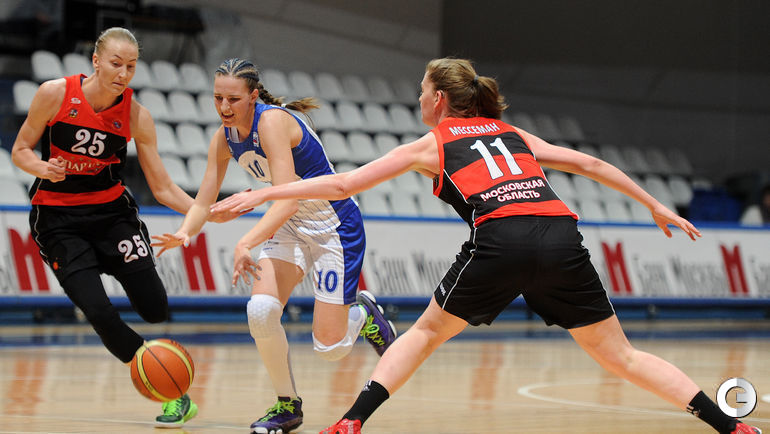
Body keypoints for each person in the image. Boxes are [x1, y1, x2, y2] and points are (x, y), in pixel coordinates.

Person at [210, 58, 762, 434]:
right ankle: (731, 426)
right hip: (560, 236)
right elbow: (591, 164)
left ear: (439, 99)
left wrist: (263, 193)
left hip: (501, 239)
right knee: (623, 356)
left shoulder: (433, 142)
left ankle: (352, 420)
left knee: (424, 334)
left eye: (421, 91)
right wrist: (654, 204)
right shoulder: (513, 134)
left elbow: (342, 185)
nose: (418, 98)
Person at [150, 57, 397, 434]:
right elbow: (203, 202)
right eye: (217, 98)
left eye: (233, 99)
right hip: (290, 227)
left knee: (330, 349)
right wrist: (186, 231)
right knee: (261, 311)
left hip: (333, 226)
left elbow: (287, 201)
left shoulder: (271, 122)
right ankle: (287, 405)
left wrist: (245, 242)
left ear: (253, 96)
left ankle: (363, 314)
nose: (224, 107)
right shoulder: (223, 137)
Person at [10, 27, 215, 428]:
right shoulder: (55, 94)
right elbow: (19, 151)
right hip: (59, 219)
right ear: (96, 61)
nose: (123, 73)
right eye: (116, 64)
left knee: (155, 310)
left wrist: (206, 210)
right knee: (99, 311)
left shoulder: (137, 116)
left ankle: (124, 286)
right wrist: (43, 168)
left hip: (112, 217)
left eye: (131, 66)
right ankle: (172, 391)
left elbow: (162, 187)